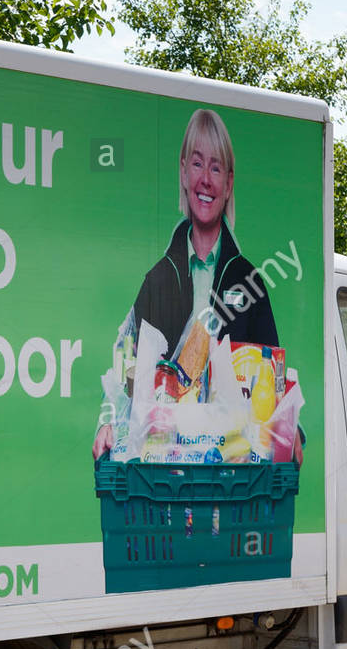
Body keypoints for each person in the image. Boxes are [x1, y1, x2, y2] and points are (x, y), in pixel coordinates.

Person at [93, 108, 279, 460]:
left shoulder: (248, 281)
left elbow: (273, 380)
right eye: (197, 164)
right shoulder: (159, 279)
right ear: (182, 172)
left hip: (231, 474)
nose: (205, 179)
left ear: (228, 182)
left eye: (216, 167)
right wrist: (107, 422)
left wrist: (289, 430)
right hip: (166, 469)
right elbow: (124, 361)